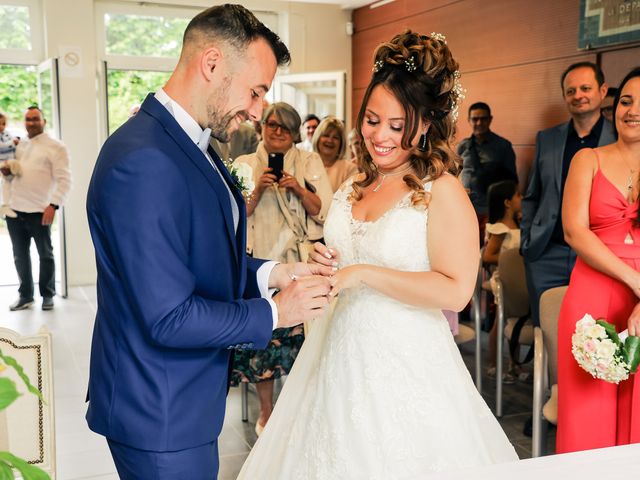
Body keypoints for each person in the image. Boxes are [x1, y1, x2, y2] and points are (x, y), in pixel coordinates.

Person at [238, 30, 518, 479]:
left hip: (405, 367)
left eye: (397, 125)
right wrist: (322, 257)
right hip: (335, 357)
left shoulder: (441, 191)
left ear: (425, 124)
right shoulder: (353, 185)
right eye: (371, 120)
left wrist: (363, 273)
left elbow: (458, 290)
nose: (380, 137)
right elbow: (339, 249)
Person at [85, 6, 332, 479]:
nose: (259, 110)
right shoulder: (144, 160)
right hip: (158, 409)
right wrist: (279, 311)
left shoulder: (191, 144)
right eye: (256, 91)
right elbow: (168, 316)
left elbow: (202, 260)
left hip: (183, 399)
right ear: (212, 63)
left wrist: (273, 274)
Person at [230, 102, 333, 435]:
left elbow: (324, 212)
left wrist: (298, 188)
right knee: (264, 341)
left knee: (304, 341)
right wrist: (258, 188)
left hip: (298, 262)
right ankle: (267, 412)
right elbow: (234, 216)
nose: (276, 131)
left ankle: (302, 410)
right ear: (262, 128)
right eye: (271, 125)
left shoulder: (309, 161)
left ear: (294, 134)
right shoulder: (245, 163)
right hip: (260, 263)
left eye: (285, 128)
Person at [556, 67, 640, 453]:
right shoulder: (587, 159)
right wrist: (635, 281)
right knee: (589, 414)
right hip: (593, 292)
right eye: (626, 100)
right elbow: (574, 231)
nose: (632, 110)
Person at [521, 61, 614, 327]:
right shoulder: (547, 138)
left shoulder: (620, 136)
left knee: (595, 339)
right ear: (564, 96)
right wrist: (528, 242)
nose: (578, 95)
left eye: (585, 88)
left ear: (602, 91)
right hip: (545, 252)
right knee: (546, 332)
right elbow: (532, 195)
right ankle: (543, 372)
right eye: (571, 91)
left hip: (598, 256)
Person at [5, 106, 71, 311]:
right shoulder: (20, 144)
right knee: (19, 255)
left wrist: (54, 205)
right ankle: (25, 295)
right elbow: (14, 174)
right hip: (15, 210)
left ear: (44, 121)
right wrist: (7, 171)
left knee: (45, 254)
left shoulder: (56, 147)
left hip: (40, 210)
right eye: (27, 119)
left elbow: (65, 180)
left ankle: (48, 295)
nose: (31, 123)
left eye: (35, 119)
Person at [458, 102, 517, 243]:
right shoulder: (463, 146)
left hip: (489, 209)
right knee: (467, 245)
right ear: (469, 120)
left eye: (483, 119)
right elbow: (455, 173)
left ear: (490, 119)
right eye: (475, 119)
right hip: (465, 207)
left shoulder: (503, 146)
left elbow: (512, 181)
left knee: (487, 249)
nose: (479, 123)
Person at [482, 180, 521, 383]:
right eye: (518, 196)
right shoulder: (500, 228)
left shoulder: (518, 223)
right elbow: (488, 256)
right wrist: (511, 258)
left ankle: (515, 363)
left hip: (518, 278)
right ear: (507, 202)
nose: (520, 200)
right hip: (504, 278)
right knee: (500, 320)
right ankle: (494, 364)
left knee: (516, 320)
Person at [313, 116, 359, 192]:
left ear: (341, 143)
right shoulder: (305, 163)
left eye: (335, 137)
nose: (330, 140)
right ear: (317, 138)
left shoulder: (350, 169)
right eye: (326, 135)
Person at [0, 112, 21, 219]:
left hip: (8, 161)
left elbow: (12, 140)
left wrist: (16, 139)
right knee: (6, 182)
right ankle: (5, 205)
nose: (1, 126)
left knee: (9, 183)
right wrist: (12, 143)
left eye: (3, 124)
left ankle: (7, 204)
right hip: (2, 162)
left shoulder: (7, 133)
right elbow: (2, 146)